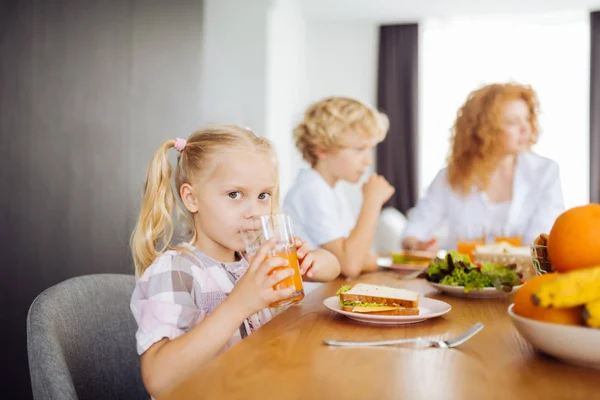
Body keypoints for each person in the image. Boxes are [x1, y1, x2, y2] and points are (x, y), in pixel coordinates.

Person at [129, 126, 340, 398]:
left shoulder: (256, 260)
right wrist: (240, 304)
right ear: (191, 198)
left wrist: (311, 261)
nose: (253, 212)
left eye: (263, 195)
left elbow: (333, 267)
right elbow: (158, 379)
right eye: (234, 195)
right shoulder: (176, 271)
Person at [402, 83, 565, 251]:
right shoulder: (452, 176)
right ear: (484, 129)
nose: (525, 128)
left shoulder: (545, 172)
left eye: (527, 119)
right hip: (464, 275)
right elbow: (413, 230)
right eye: (512, 122)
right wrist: (417, 245)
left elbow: (540, 243)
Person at [284, 96, 395, 279]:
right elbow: (350, 265)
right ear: (322, 149)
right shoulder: (311, 190)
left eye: (370, 150)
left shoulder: (331, 189)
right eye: (359, 149)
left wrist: (360, 259)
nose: (368, 160)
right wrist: (372, 202)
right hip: (310, 299)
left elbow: (360, 255)